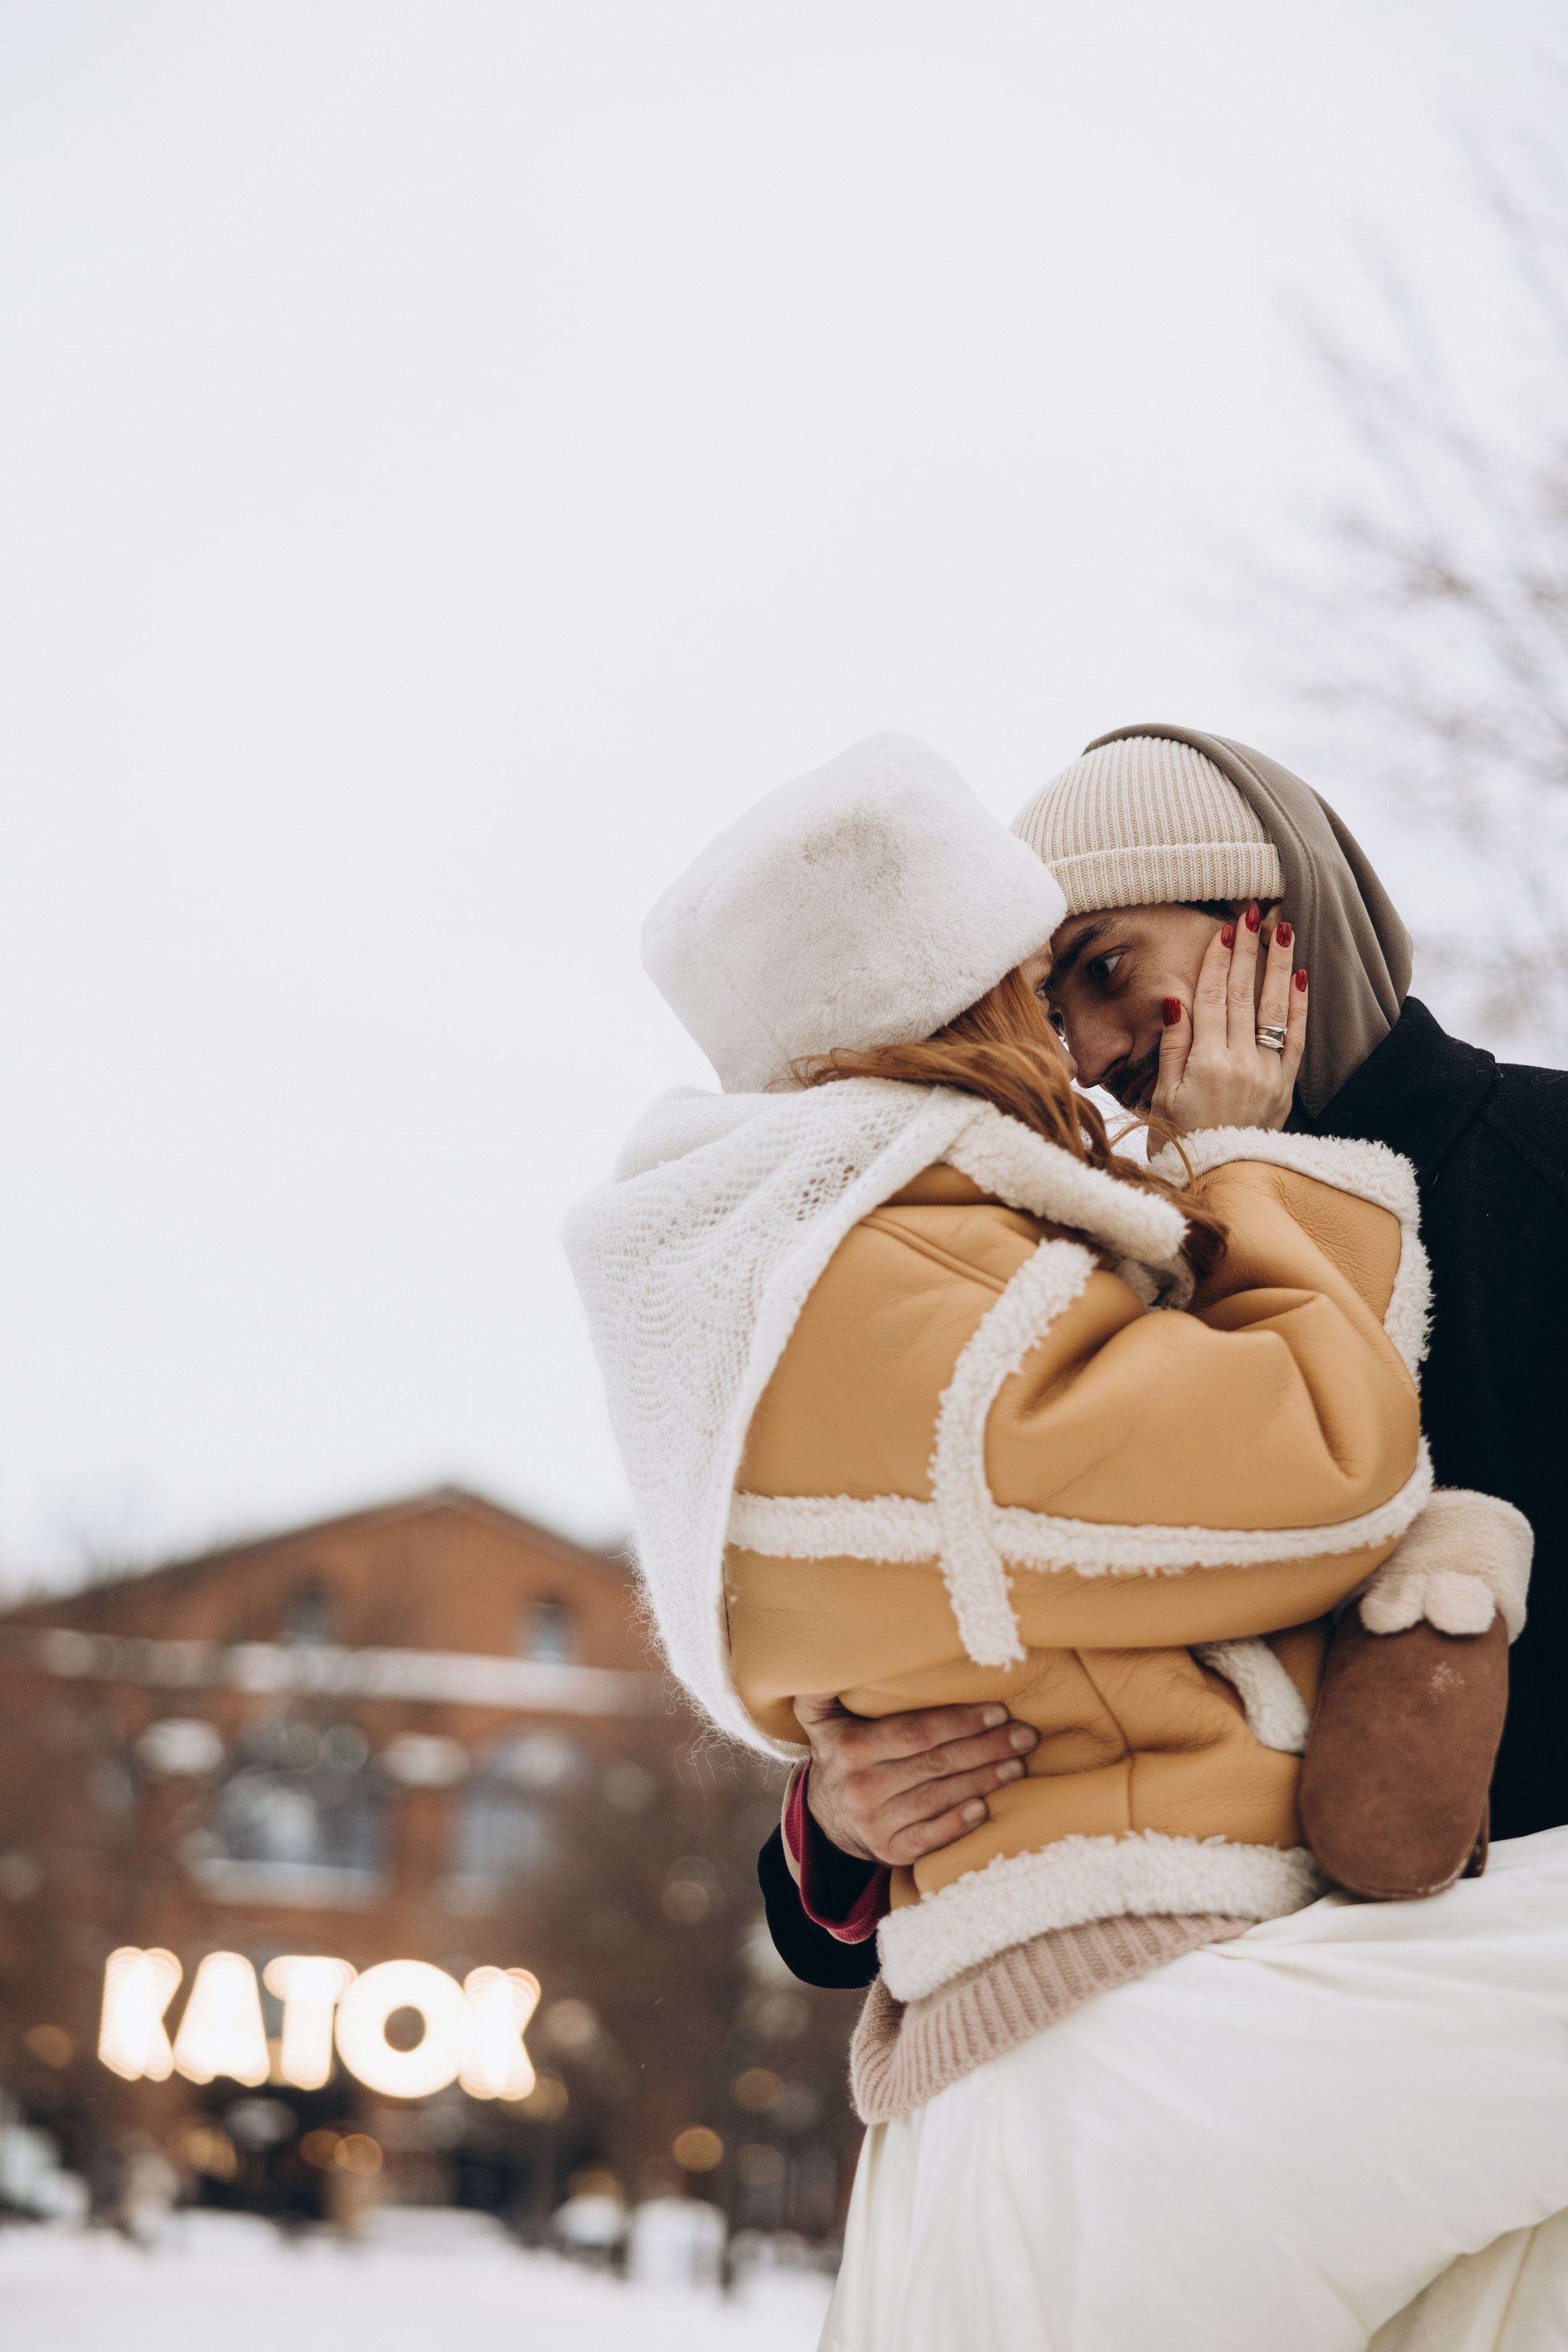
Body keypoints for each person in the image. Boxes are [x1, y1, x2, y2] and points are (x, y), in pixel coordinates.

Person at [565, 733, 1564, 2351]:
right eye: (1047, 999)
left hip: (1483, 2107)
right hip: (1189, 2095)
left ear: (1273, 933)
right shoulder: (1078, 1243)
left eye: (1110, 972)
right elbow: (939, 1634)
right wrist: (839, 1817)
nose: (1091, 1054)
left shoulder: (1541, 1172)